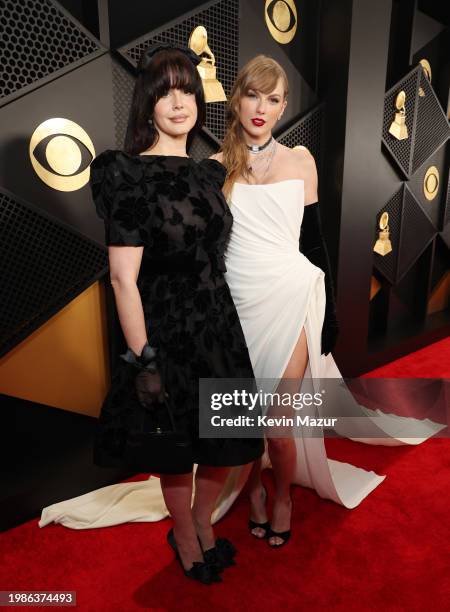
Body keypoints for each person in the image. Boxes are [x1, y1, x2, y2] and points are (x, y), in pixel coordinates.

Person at [88, 43, 264, 583]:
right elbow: (123, 278)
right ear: (147, 104)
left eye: (187, 90)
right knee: (176, 446)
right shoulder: (126, 174)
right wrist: (145, 358)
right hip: (165, 328)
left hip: (217, 324)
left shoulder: (209, 176)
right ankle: (186, 534)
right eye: (164, 91)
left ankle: (202, 521)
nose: (178, 101)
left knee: (224, 441)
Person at [210, 54, 340, 547]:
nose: (261, 107)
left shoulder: (301, 159)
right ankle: (256, 491)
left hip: (291, 299)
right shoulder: (213, 170)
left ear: (284, 106)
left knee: (277, 429)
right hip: (238, 306)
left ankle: (282, 495)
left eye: (272, 98)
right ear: (237, 99)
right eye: (252, 94)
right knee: (242, 424)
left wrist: (331, 315)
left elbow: (314, 242)